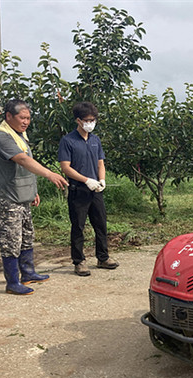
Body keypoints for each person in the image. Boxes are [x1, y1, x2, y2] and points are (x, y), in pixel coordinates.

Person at [0, 99, 69, 295]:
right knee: (10, 240)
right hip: (7, 198)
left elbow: (25, 167)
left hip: (22, 196)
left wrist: (32, 191)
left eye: (28, 118)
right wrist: (49, 174)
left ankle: (28, 272)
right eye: (22, 117)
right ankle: (12, 282)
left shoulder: (19, 135)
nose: (26, 122)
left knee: (26, 236)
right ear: (9, 117)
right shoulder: (2, 137)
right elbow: (23, 160)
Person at [58, 102, 119, 276]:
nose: (91, 123)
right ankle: (79, 261)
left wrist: (101, 180)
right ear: (78, 120)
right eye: (87, 120)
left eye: (93, 120)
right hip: (79, 190)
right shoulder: (68, 140)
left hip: (96, 190)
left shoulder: (95, 140)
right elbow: (66, 167)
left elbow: (101, 162)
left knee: (100, 224)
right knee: (78, 226)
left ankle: (103, 257)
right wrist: (86, 180)